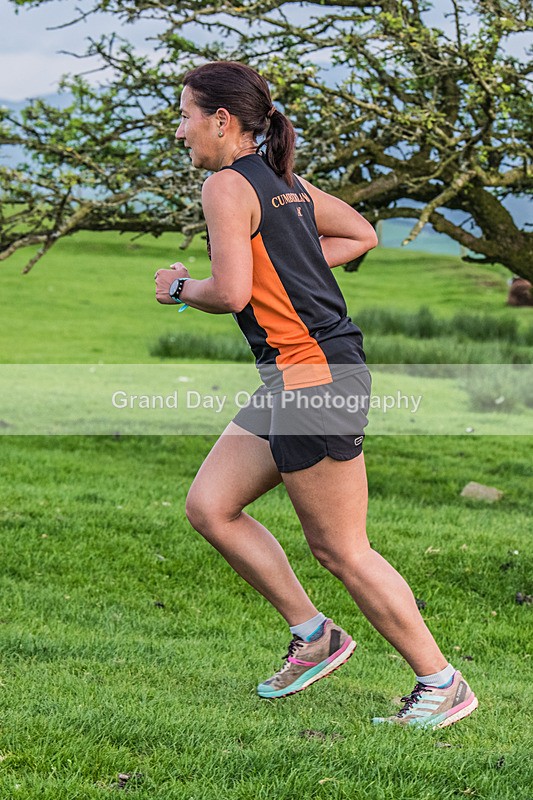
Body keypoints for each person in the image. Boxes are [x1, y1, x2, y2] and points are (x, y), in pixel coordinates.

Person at [154, 61, 478, 729]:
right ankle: (315, 635)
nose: (180, 130)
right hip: (294, 374)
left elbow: (230, 293)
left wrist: (179, 289)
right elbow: (359, 234)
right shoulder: (284, 181)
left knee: (341, 549)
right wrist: (286, 262)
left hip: (314, 376)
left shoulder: (226, 185)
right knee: (211, 506)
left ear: (221, 120)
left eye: (185, 116)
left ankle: (441, 682)